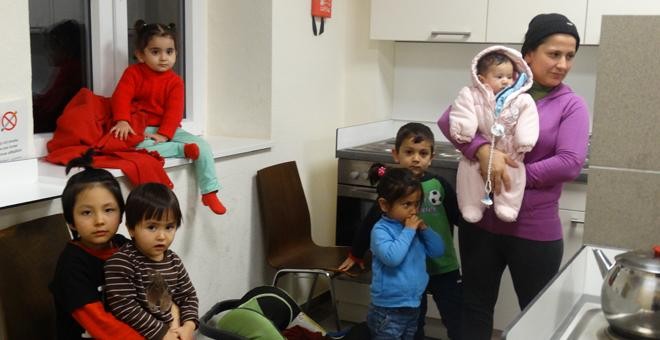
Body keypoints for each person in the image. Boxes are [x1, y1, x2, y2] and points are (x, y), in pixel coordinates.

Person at [437, 13, 590, 339]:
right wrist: (481, 151)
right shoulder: (489, 88)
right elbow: (447, 121)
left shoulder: (571, 105)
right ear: (529, 55)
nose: (562, 64)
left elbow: (569, 163)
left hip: (534, 229)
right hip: (480, 222)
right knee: (475, 306)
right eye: (554, 54)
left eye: (570, 56)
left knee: (538, 315)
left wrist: (508, 172)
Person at [338, 123, 463, 340]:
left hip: (443, 264)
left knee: (455, 316)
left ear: (431, 157)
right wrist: (356, 253)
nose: (416, 158)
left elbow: (459, 215)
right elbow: (369, 223)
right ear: (396, 155)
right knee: (415, 320)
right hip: (411, 272)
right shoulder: (394, 190)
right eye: (409, 152)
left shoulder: (439, 184)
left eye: (423, 153)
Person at [109, 19, 226, 215]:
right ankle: (182, 150)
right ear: (140, 54)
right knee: (137, 148)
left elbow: (174, 111)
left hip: (168, 130)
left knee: (204, 146)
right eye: (155, 52)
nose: (164, 58)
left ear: (176, 53)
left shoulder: (175, 82)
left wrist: (164, 134)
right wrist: (122, 120)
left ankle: (209, 191)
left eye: (169, 52)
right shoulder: (133, 73)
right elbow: (120, 97)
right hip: (141, 129)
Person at [49, 150, 143, 339]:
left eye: (108, 210)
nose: (99, 220)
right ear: (71, 221)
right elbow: (103, 327)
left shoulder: (125, 247)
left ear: (121, 215)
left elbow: (154, 288)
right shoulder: (71, 267)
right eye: (86, 213)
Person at [449, 45, 538, 223]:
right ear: (482, 79)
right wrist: (465, 132)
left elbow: (529, 119)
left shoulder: (522, 99)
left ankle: (507, 205)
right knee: (469, 174)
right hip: (477, 152)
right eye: (499, 76)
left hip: (510, 152)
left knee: (513, 174)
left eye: (509, 76)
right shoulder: (470, 94)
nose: (506, 81)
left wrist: (525, 140)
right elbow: (461, 112)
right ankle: (471, 205)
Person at [104, 182, 198, 340]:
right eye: (152, 227)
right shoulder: (122, 263)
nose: (162, 236)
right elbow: (125, 307)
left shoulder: (174, 261)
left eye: (169, 227)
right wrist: (163, 334)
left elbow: (188, 296)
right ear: (131, 228)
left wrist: (189, 326)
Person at [366, 165, 445, 340]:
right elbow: (392, 258)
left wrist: (425, 230)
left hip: (412, 304)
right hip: (388, 309)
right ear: (384, 205)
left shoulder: (414, 228)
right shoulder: (380, 230)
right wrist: (409, 231)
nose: (413, 210)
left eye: (416, 204)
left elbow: (438, 251)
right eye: (406, 204)